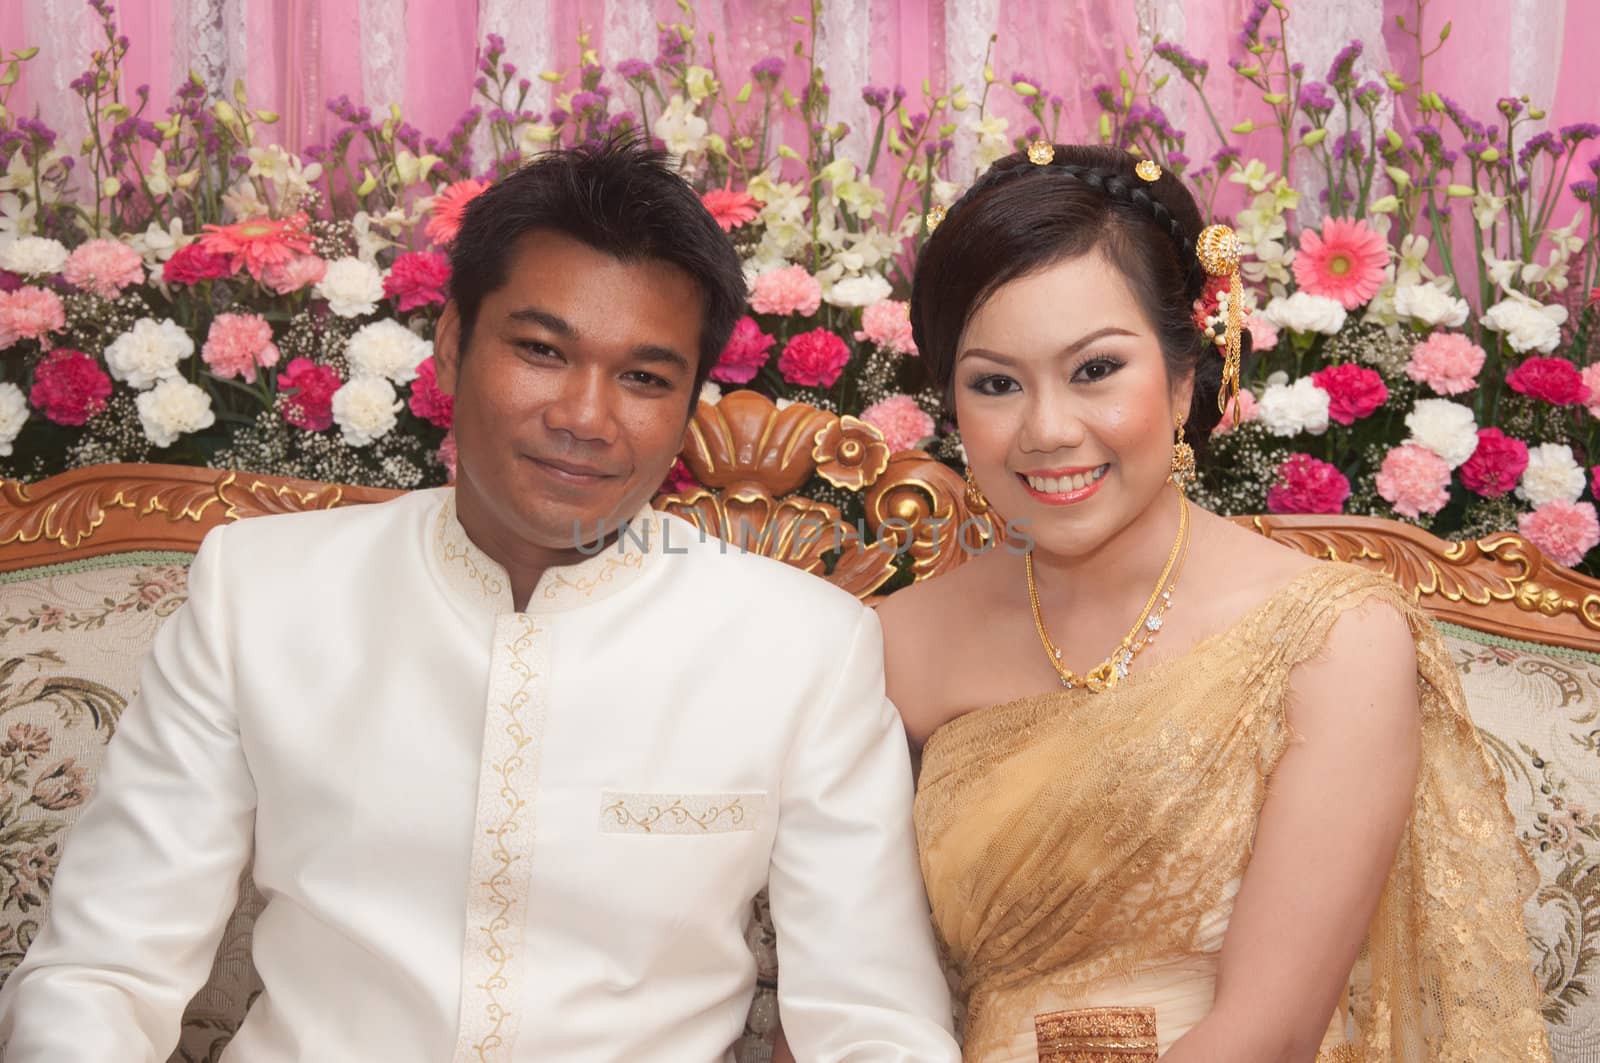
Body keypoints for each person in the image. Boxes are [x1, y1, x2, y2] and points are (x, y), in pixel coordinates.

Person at [0, 138, 960, 1062]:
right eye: (542, 350)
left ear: (689, 403)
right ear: (452, 346)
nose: (585, 417)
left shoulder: (800, 647)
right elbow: (101, 973)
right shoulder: (260, 592)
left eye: (642, 377)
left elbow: (874, 1021)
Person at [876, 143, 1551, 1062]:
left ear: (1186, 375)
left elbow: (1267, 1033)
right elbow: (855, 997)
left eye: (1095, 370)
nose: (1046, 431)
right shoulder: (896, 644)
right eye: (996, 384)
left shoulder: (1332, 638)